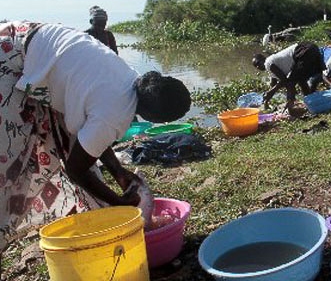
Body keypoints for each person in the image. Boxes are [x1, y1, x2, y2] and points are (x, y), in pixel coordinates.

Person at [0, 21, 191, 257]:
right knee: (9, 164)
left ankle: (95, 221)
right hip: (11, 56)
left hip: (31, 40)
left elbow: (92, 134)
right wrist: (118, 202)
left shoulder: (130, 79)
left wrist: (118, 172)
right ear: (154, 118)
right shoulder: (115, 112)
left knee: (71, 147)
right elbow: (76, 169)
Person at [252, 42, 325, 111]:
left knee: (292, 82)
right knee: (301, 80)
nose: (258, 66)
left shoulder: (268, 63)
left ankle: (291, 108)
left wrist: (272, 91)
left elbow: (285, 80)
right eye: (256, 66)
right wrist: (266, 100)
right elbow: (274, 84)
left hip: (303, 50)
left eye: (258, 63)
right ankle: (310, 102)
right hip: (312, 48)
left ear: (263, 58)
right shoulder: (272, 66)